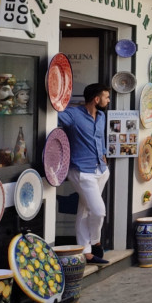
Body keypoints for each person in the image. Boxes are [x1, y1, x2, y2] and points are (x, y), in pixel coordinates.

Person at [58, 83, 111, 265]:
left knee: (85, 209)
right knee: (98, 211)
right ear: (96, 99)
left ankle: (86, 252)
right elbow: (52, 116)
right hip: (82, 171)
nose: (108, 100)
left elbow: (100, 138)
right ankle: (95, 241)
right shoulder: (73, 115)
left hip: (101, 170)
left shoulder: (102, 116)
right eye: (106, 97)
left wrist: (104, 154)